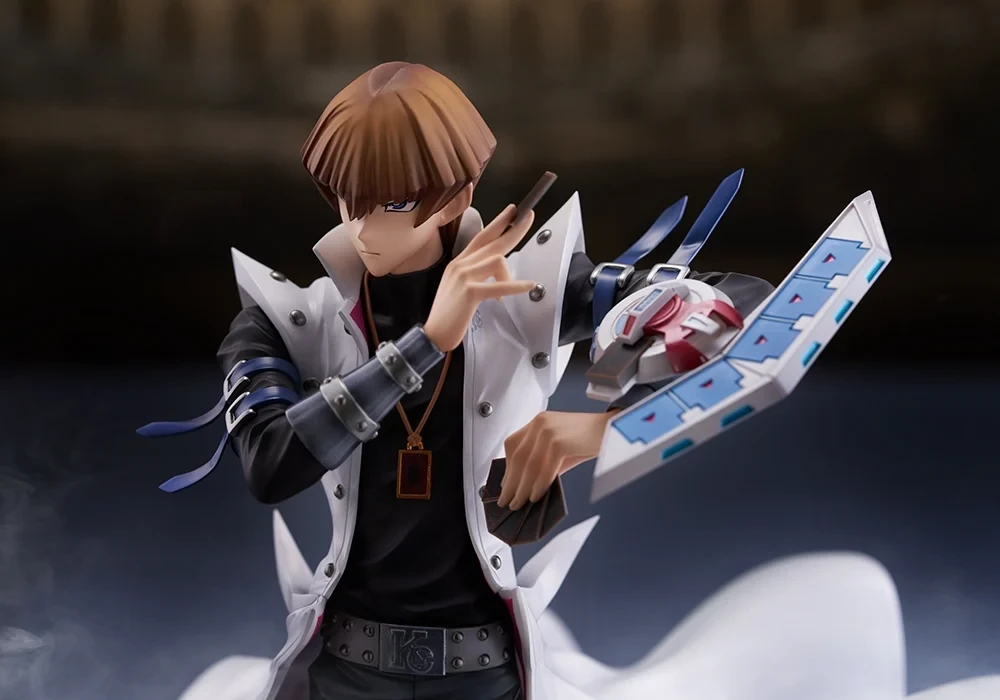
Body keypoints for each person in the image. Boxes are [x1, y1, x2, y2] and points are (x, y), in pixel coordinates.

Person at [150, 62, 773, 700]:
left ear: (454, 198)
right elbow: (269, 466)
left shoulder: (527, 293)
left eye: (393, 203)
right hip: (343, 670)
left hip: (484, 674)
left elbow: (741, 317)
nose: (361, 227)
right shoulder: (291, 320)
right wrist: (426, 342)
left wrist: (604, 430)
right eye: (346, 197)